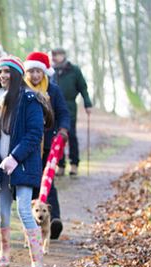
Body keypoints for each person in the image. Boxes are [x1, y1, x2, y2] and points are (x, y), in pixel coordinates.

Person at [0, 56, 47, 267]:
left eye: (8, 72)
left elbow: (34, 134)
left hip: (24, 165)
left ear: (17, 75)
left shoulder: (29, 99)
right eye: (0, 72)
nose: (3, 76)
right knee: (2, 214)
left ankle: (38, 262)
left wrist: (15, 157)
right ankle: (4, 251)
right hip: (0, 169)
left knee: (24, 211)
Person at [23, 51, 71, 240]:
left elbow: (63, 113)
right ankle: (33, 223)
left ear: (44, 72)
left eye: (38, 72)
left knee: (48, 183)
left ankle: (54, 220)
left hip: (47, 145)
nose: (35, 76)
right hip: (27, 147)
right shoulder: (20, 91)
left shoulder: (53, 90)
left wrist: (63, 129)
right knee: (31, 185)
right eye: (31, 71)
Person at [51, 48, 92, 176]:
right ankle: (60, 165)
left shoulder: (74, 70)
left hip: (69, 107)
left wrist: (87, 103)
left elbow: (83, 88)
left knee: (71, 135)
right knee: (56, 136)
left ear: (64, 55)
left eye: (58, 55)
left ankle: (74, 164)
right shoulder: (51, 71)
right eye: (54, 55)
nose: (56, 57)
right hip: (53, 108)